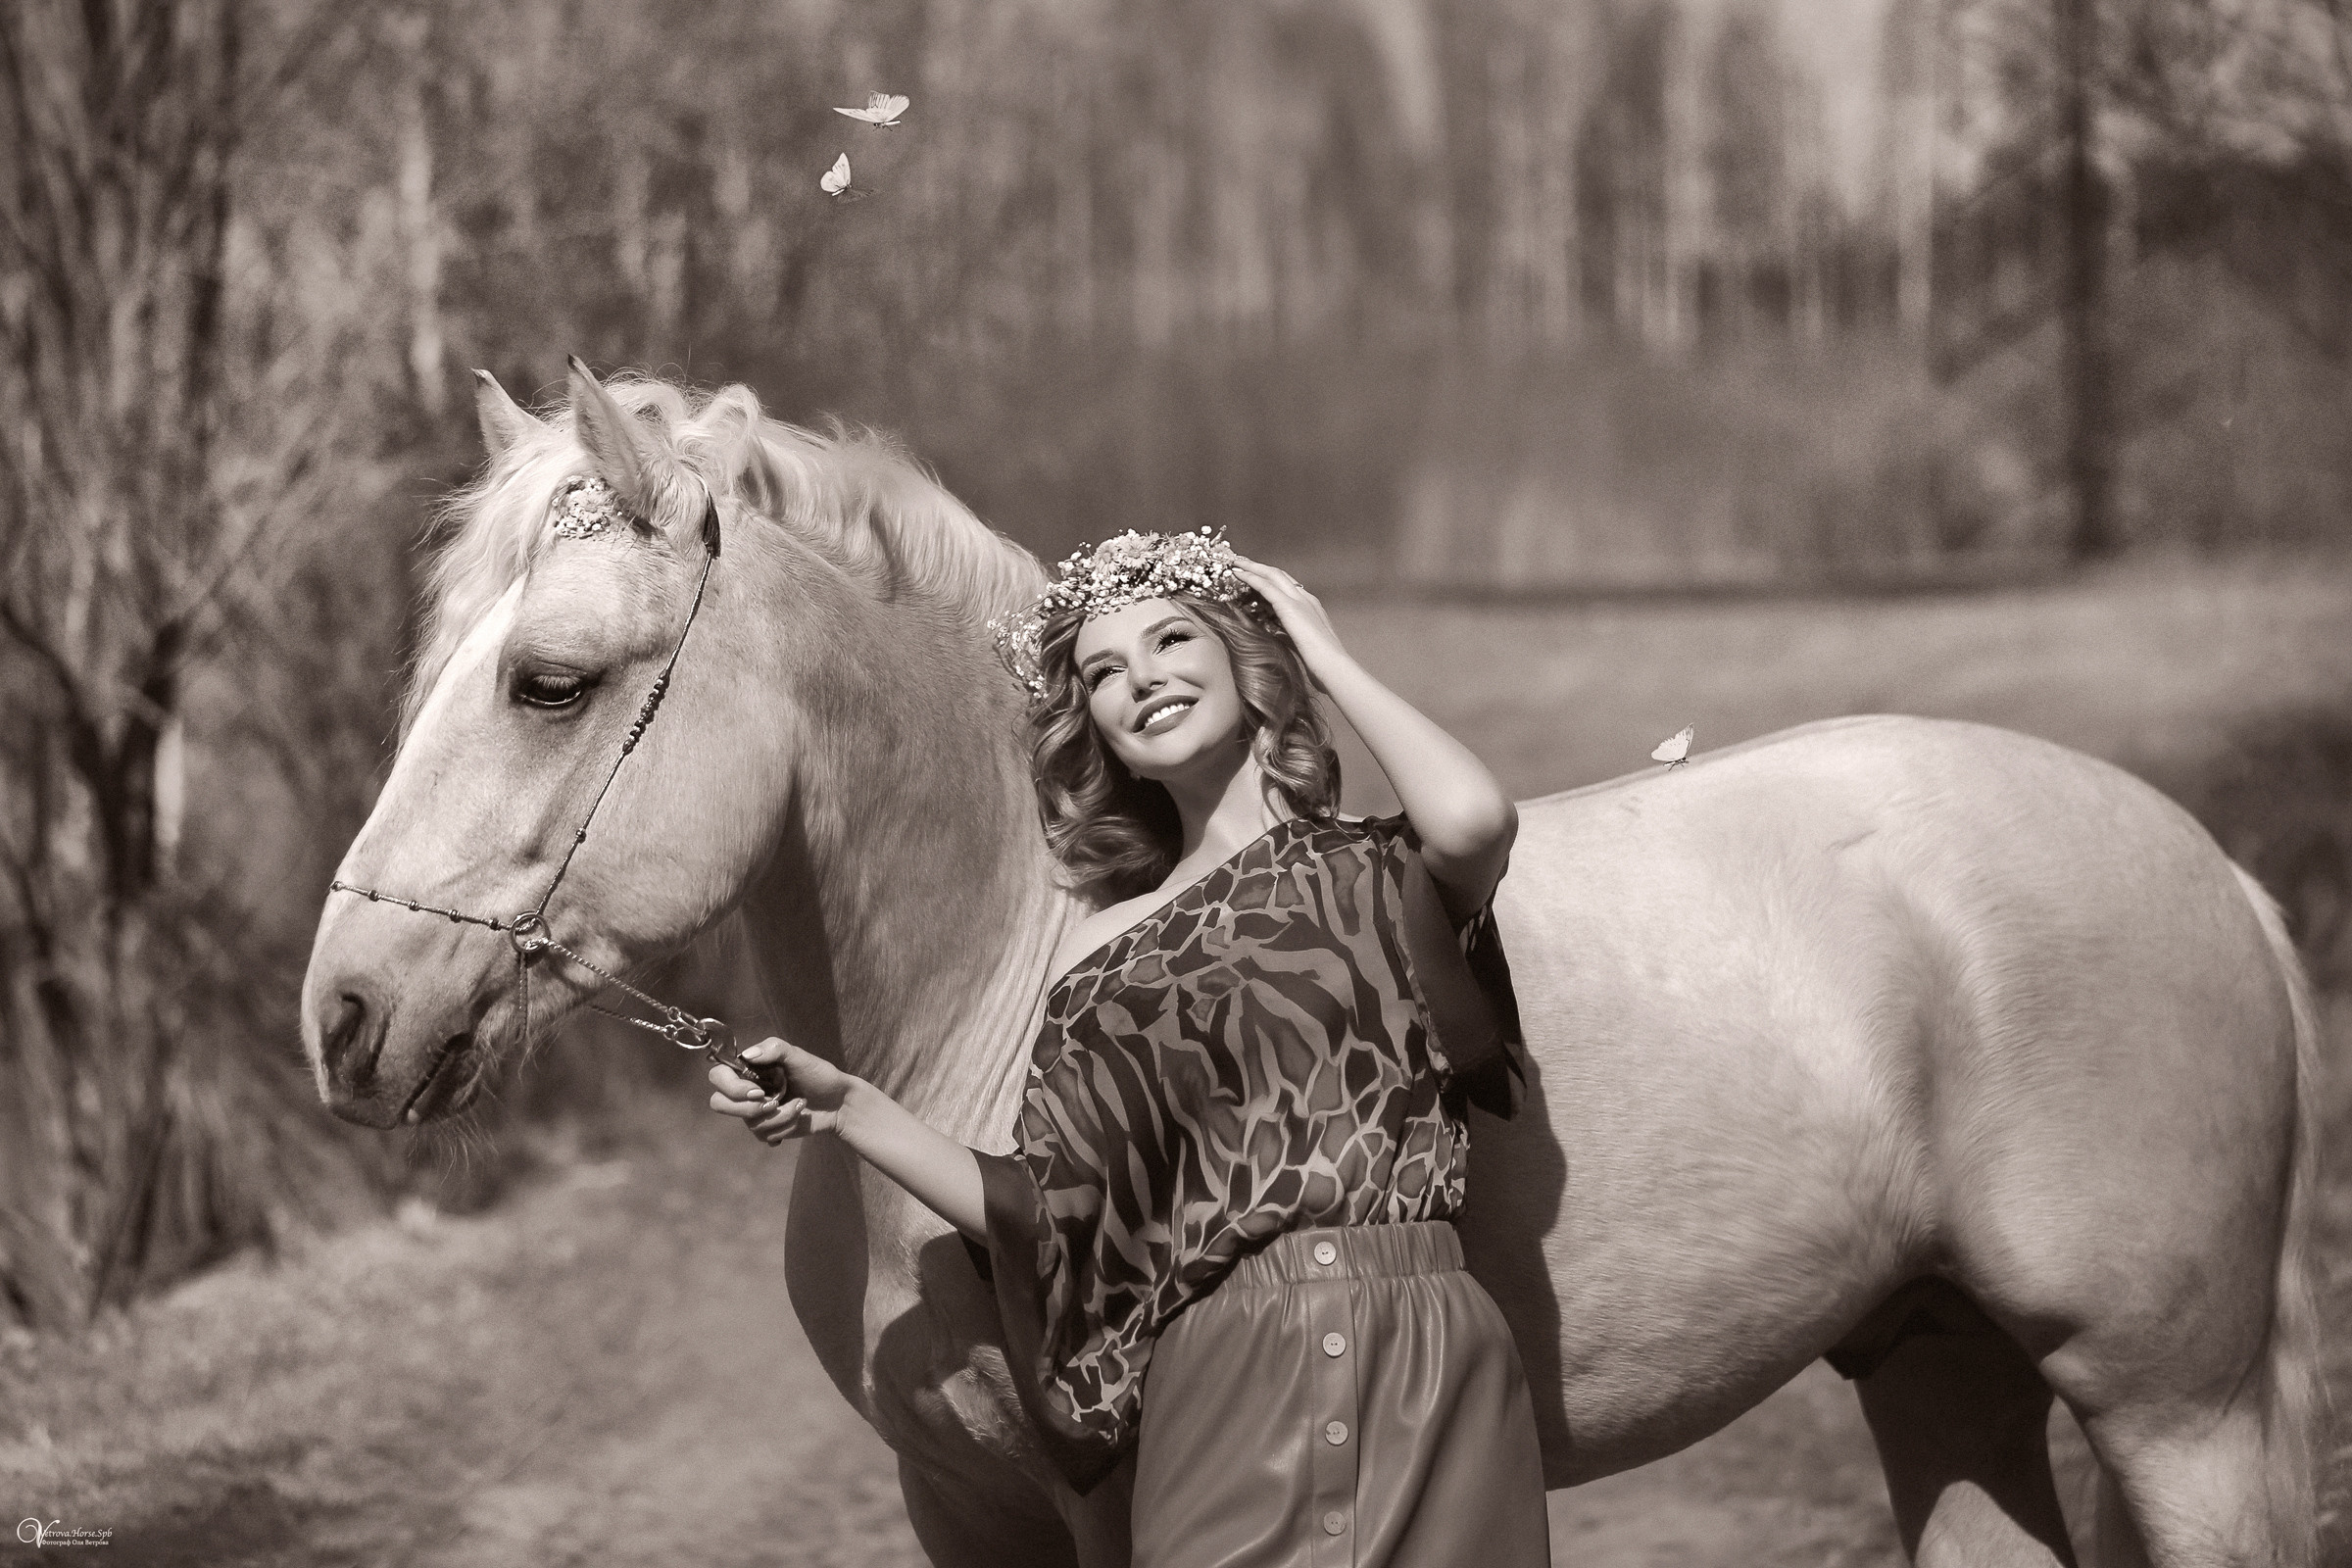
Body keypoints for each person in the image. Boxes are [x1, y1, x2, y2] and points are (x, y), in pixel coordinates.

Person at [710, 529, 1550, 1566]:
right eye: (1103, 671)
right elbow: (1042, 1206)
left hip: (1432, 1356)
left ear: (1249, 657)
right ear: (1092, 725)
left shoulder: (1380, 872)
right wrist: (849, 1103)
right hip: (1226, 1383)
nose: (1138, 678)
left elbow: (1474, 818)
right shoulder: (1104, 949)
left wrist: (1323, 654)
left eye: (1169, 639)